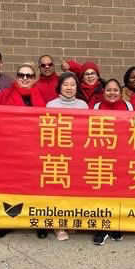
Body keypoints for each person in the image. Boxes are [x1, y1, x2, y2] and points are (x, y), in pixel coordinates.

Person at [0, 63, 46, 239]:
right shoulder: (4, 96)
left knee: (35, 187)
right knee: (10, 186)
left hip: (34, 149)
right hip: (10, 149)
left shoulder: (41, 97)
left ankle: (38, 222)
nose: (24, 78)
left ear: (34, 79)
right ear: (16, 77)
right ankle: (6, 222)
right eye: (21, 75)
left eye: (29, 76)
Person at [46, 72, 88, 241]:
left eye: (73, 85)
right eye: (66, 84)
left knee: (73, 189)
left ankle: (70, 220)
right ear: (60, 86)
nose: (69, 88)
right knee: (58, 189)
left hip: (77, 154)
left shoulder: (83, 105)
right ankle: (58, 225)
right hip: (58, 154)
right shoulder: (51, 105)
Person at [92, 79, 129, 245]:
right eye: (109, 90)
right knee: (101, 193)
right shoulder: (96, 107)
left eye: (115, 90)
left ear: (120, 93)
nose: (112, 93)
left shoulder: (128, 107)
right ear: (103, 92)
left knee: (118, 193)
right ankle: (101, 227)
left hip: (121, 157)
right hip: (101, 156)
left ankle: (115, 225)